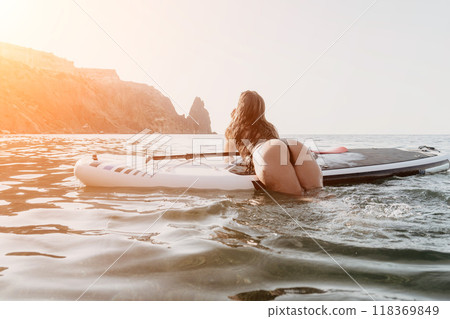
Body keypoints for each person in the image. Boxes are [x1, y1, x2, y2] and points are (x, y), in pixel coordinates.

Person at [224, 90, 323, 196]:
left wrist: (233, 121)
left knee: (297, 197)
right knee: (319, 195)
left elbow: (228, 158)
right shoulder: (269, 127)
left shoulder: (235, 128)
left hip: (267, 151)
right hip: (292, 145)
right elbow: (281, 153)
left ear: (240, 108)